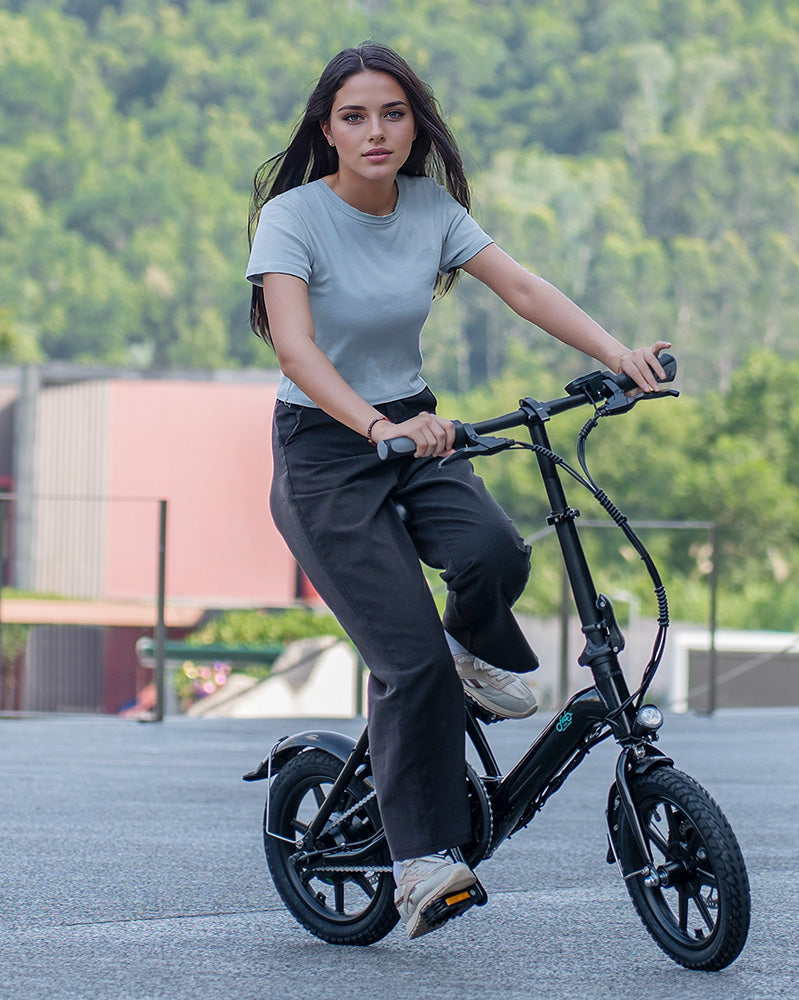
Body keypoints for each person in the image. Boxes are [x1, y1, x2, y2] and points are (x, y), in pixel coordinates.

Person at [246, 41, 670, 940]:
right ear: (327, 129)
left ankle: (473, 661)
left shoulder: (430, 206)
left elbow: (519, 285)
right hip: (328, 449)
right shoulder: (292, 218)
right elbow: (296, 350)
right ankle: (421, 861)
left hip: (416, 426)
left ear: (416, 125)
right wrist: (375, 428)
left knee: (494, 551)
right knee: (410, 665)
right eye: (354, 116)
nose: (375, 132)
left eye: (392, 115)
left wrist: (615, 356)